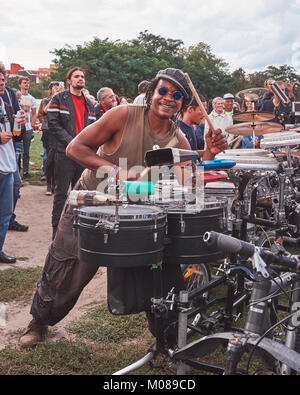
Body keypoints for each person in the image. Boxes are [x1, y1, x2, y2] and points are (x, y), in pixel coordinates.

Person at [19, 67, 227, 348]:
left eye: (176, 95)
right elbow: (75, 148)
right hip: (93, 199)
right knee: (67, 266)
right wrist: (114, 170)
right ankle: (39, 322)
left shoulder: (179, 139)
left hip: (138, 209)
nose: (168, 98)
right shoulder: (123, 114)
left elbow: (187, 182)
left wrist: (210, 154)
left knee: (160, 270)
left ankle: (166, 339)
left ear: (182, 102)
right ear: (152, 92)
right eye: (163, 91)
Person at [46, 67, 97, 239]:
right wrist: (72, 142)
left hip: (82, 156)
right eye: (76, 76)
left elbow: (94, 129)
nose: (80, 79)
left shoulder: (90, 104)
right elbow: (53, 124)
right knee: (61, 194)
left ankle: (76, 232)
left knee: (80, 195)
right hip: (64, 153)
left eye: (82, 76)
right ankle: (56, 233)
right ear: (69, 80)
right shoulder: (59, 98)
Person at [0, 71, 25, 264]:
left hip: (8, 165)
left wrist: (21, 126)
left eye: (3, 79)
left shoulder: (6, 106)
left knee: (5, 212)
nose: (1, 82)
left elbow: (15, 137)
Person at [38, 81, 61, 195]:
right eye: (54, 87)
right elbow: (45, 111)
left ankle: (55, 184)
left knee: (58, 160)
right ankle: (48, 184)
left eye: (58, 86)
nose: (56, 88)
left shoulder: (62, 100)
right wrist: (54, 98)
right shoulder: (46, 100)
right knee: (49, 158)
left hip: (58, 132)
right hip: (48, 131)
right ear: (50, 89)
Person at [18, 77, 37, 178]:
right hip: (17, 127)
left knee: (26, 150)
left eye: (28, 83)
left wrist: (32, 126)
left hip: (28, 127)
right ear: (20, 85)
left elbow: (34, 114)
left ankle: (25, 171)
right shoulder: (16, 96)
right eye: (24, 83)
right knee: (17, 150)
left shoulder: (32, 98)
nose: (27, 84)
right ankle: (17, 169)